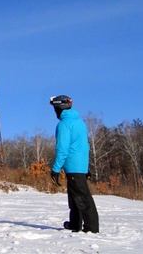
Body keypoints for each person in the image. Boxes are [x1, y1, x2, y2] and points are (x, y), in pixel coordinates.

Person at [49, 95, 99, 233]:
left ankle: (91, 228)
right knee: (74, 198)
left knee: (83, 199)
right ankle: (74, 224)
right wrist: (86, 167)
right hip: (80, 166)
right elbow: (84, 147)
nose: (54, 111)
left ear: (59, 108)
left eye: (55, 108)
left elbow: (62, 149)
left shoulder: (64, 124)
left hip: (73, 166)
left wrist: (56, 169)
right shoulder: (79, 122)